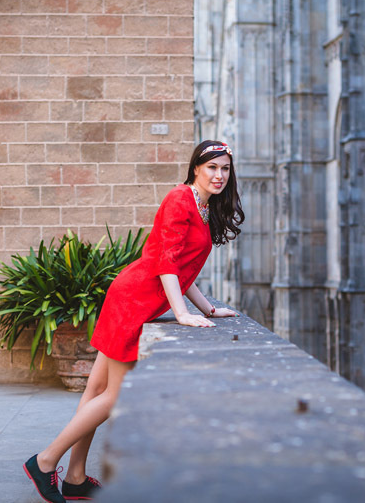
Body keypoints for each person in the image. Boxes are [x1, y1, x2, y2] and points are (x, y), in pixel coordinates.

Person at [23, 140, 244, 502]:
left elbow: (183, 268)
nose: (219, 175)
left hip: (134, 300)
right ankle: (45, 461)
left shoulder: (202, 205)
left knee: (96, 391)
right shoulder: (180, 199)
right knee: (116, 394)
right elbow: (167, 264)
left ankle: (75, 477)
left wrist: (207, 308)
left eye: (225, 168)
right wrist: (183, 314)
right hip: (132, 302)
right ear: (195, 170)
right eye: (212, 168)